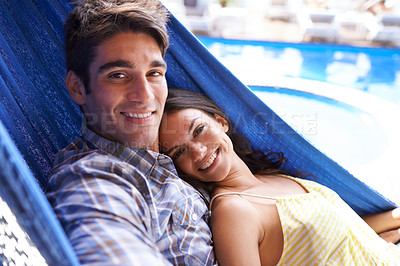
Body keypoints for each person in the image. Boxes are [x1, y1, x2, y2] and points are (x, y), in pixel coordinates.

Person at [45, 1, 215, 265]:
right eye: (118, 75)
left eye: (154, 73)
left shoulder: (179, 157)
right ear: (77, 88)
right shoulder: (92, 175)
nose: (145, 95)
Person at [159, 87, 400, 265]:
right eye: (179, 152)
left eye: (199, 130)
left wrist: (381, 235)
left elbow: (339, 230)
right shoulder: (233, 210)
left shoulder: (271, 176)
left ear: (221, 122)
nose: (198, 151)